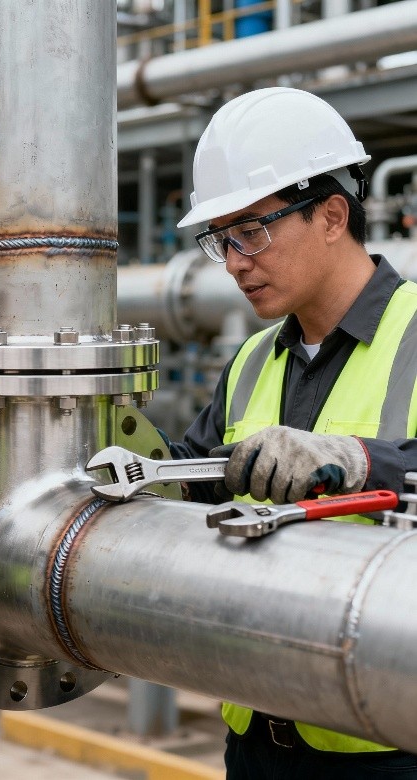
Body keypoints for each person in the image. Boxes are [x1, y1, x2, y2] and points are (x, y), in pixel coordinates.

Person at [170, 87, 417, 777]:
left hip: (387, 742)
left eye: (251, 231)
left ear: (332, 215)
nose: (234, 262)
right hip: (257, 739)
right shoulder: (252, 361)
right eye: (221, 239)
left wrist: (358, 461)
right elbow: (185, 476)